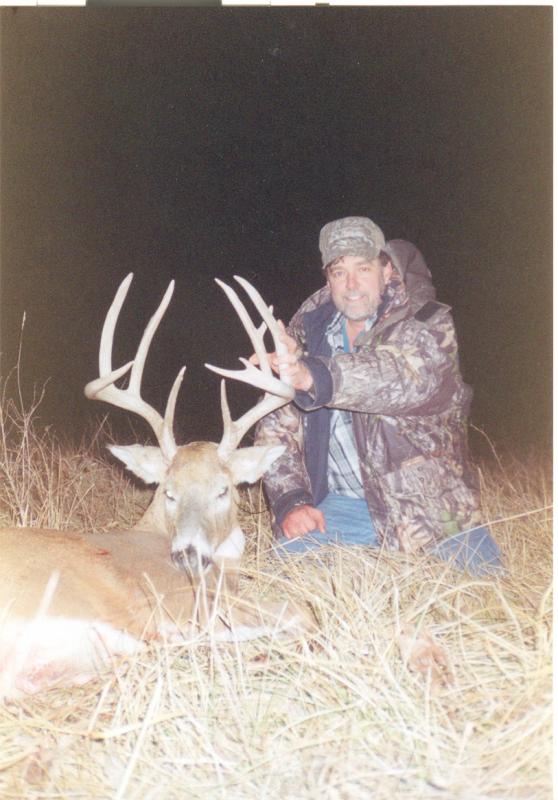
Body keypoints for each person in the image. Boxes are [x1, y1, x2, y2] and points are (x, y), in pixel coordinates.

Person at [254, 216, 503, 577]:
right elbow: (275, 433)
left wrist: (311, 375)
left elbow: (402, 378)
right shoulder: (305, 338)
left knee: (485, 595)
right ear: (328, 278)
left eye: (364, 268)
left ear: (386, 271)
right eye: (339, 272)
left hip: (428, 510)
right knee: (284, 572)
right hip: (342, 508)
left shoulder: (428, 323)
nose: (351, 285)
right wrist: (292, 502)